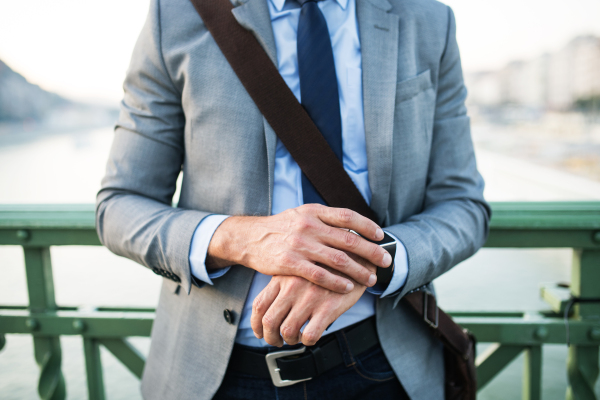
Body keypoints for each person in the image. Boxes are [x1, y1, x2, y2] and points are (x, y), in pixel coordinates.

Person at [96, 0, 490, 398]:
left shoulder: (427, 19)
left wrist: (367, 263)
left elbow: (464, 205)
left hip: (384, 364)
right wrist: (243, 239)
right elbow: (119, 205)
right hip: (216, 374)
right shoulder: (176, 15)